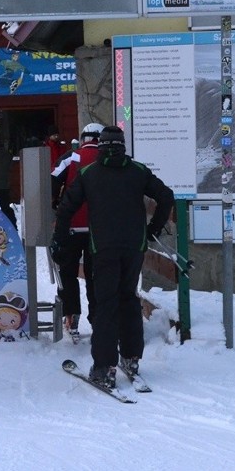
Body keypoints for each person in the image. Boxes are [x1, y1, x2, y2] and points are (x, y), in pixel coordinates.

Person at [51, 125, 174, 389]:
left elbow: (66, 209)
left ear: (101, 147)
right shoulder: (138, 171)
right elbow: (166, 196)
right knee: (129, 299)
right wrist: (152, 229)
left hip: (103, 247)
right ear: (122, 146)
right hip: (134, 246)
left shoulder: (89, 173)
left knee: (106, 304)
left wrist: (59, 238)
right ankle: (131, 358)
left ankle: (104, 367)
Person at [50, 122, 105, 341]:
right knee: (95, 276)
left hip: (71, 225)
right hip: (98, 229)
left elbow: (52, 181)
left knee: (68, 273)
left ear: (83, 139)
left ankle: (71, 316)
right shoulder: (106, 160)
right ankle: (98, 318)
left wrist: (57, 204)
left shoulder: (70, 158)